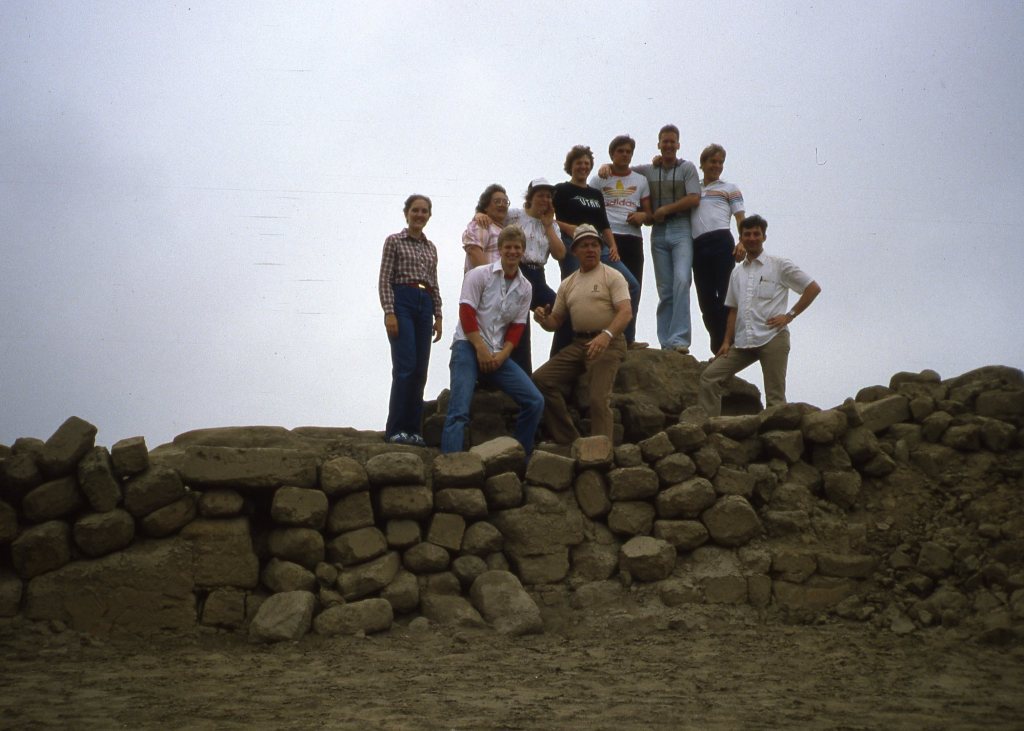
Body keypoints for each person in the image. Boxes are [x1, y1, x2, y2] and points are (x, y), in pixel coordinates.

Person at [698, 215, 821, 416]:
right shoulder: (737, 273)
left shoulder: (779, 264)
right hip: (744, 341)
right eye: (747, 234)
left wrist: (789, 315)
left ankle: (779, 439)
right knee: (709, 377)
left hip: (773, 338)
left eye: (757, 234)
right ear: (741, 238)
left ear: (764, 237)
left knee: (775, 398)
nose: (752, 238)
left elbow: (812, 288)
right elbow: (733, 310)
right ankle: (709, 427)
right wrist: (727, 342)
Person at [440, 226, 545, 455]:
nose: (512, 251)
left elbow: (517, 327)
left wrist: (502, 355)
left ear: (523, 251)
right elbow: (466, 313)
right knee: (459, 409)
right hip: (468, 345)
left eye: (517, 247)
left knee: (535, 401)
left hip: (498, 352)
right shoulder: (479, 275)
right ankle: (450, 464)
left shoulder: (526, 287)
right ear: (499, 250)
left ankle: (520, 456)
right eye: (507, 247)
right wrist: (480, 349)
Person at [532, 224, 633, 444]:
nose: (590, 249)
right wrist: (542, 319)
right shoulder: (568, 284)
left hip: (609, 342)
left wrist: (606, 335)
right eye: (585, 245)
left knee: (598, 398)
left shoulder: (612, 276)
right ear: (575, 251)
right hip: (580, 344)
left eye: (595, 245)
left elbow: (625, 313)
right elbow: (555, 321)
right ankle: (571, 441)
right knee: (541, 380)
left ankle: (600, 449)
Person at [552, 145, 641, 354]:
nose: (583, 167)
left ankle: (625, 337)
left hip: (598, 245)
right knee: (573, 295)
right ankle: (566, 348)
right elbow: (551, 219)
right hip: (573, 246)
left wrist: (613, 246)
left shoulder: (595, 194)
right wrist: (571, 229)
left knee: (632, 285)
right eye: (578, 163)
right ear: (570, 166)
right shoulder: (562, 190)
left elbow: (604, 224)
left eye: (586, 163)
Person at [626, 125, 701, 354]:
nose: (668, 145)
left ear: (678, 144)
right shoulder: (649, 170)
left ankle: (680, 339)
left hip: (680, 228)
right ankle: (666, 342)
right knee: (665, 288)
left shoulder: (687, 168)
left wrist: (666, 209)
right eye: (664, 142)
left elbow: (694, 198)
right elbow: (625, 171)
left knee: (681, 280)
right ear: (658, 144)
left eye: (672, 142)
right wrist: (606, 168)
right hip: (658, 232)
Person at [378, 194, 443, 446]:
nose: (419, 215)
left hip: (424, 303)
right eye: (415, 210)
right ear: (406, 213)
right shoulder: (394, 241)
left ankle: (413, 430)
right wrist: (389, 311)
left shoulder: (431, 248)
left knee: (419, 370)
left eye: (424, 211)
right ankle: (396, 428)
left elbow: (434, 283)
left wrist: (438, 314)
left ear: (428, 215)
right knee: (405, 367)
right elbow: (385, 279)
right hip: (402, 300)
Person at [589, 134, 652, 350]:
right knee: (605, 288)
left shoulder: (640, 180)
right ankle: (603, 334)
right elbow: (590, 207)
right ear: (612, 154)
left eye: (628, 151)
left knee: (633, 287)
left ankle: (628, 338)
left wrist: (643, 216)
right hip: (607, 237)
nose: (625, 155)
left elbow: (649, 213)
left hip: (632, 238)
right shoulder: (599, 179)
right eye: (620, 151)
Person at [691, 143, 746, 353]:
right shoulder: (693, 187)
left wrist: (742, 242)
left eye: (720, 162)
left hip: (722, 241)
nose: (716, 166)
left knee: (725, 295)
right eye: (712, 161)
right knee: (705, 300)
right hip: (698, 244)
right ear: (702, 164)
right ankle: (718, 346)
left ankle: (728, 344)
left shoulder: (729, 188)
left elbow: (741, 217)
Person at [462, 184, 509, 272]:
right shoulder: (483, 224)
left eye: (505, 202)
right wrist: (490, 280)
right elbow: (474, 251)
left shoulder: (504, 229)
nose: (502, 205)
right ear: (486, 206)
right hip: (487, 283)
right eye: (497, 201)